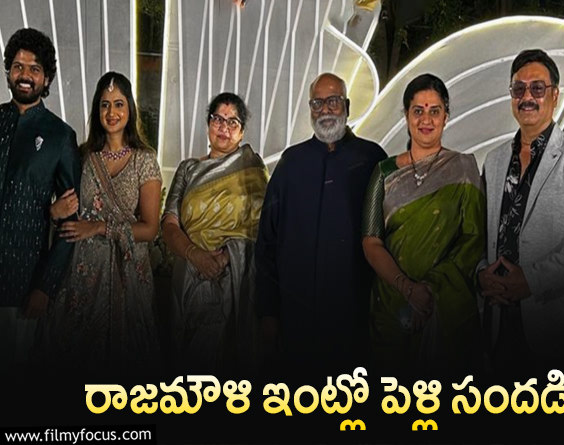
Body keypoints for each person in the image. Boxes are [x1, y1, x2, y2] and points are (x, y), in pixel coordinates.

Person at [478, 49, 564, 379]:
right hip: (497, 321)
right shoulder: (493, 161)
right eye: (518, 89)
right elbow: (481, 235)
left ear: (555, 95)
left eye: (537, 88)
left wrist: (531, 280)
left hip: (552, 323)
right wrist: (481, 275)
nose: (527, 97)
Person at [255, 72, 386, 372]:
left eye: (333, 101)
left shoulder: (372, 159)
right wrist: (268, 311)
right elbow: (267, 241)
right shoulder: (291, 163)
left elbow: (387, 235)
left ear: (347, 106)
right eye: (317, 103)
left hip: (354, 314)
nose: (325, 110)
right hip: (295, 315)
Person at [361, 74, 485, 376]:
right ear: (406, 116)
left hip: (446, 310)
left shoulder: (464, 169)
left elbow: (473, 239)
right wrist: (407, 289)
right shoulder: (384, 172)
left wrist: (430, 289)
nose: (426, 119)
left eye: (435, 111)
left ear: (446, 117)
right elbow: (370, 240)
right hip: (390, 307)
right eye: (418, 110)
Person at [45, 72, 161, 372]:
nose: (112, 112)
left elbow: (150, 229)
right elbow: (64, 209)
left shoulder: (145, 160)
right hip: (83, 273)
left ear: (130, 109)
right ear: (97, 110)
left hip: (129, 271)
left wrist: (99, 227)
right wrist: (53, 212)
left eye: (119, 104)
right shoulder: (82, 156)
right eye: (105, 104)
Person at [162, 93, 268, 373]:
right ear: (208, 124)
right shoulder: (188, 169)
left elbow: (263, 229)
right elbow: (169, 224)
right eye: (218, 119)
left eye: (233, 122)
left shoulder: (252, 170)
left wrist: (226, 258)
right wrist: (195, 254)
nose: (224, 127)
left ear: (242, 132)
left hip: (236, 282)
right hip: (189, 278)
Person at [0, 28, 81, 373]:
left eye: (34, 69)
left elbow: (71, 223)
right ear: (8, 71)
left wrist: (45, 287)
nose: (25, 75)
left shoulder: (60, 136)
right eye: (18, 66)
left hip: (21, 283)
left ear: (46, 78)